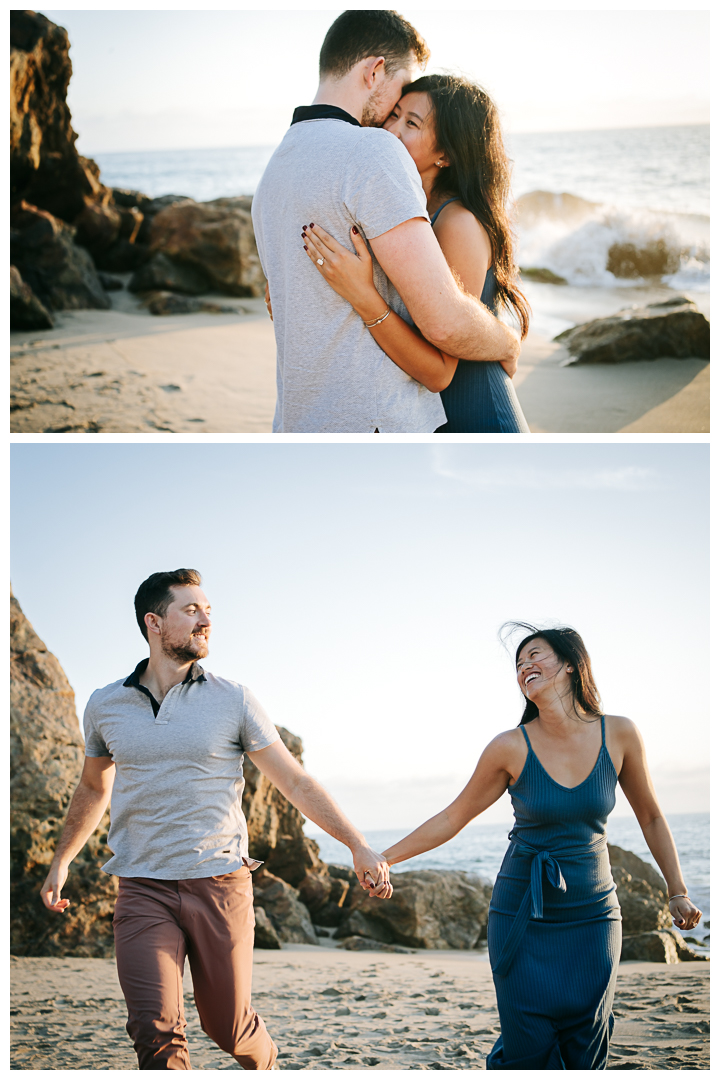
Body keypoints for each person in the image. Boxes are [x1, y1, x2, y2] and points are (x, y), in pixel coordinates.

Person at [40, 568, 392, 1071]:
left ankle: (265, 1061)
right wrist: (62, 862)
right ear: (154, 623)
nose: (206, 619)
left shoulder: (235, 699)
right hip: (142, 885)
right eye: (191, 609)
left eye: (208, 610)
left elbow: (293, 782)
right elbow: (94, 786)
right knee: (153, 1030)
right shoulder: (105, 704)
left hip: (220, 881)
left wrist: (355, 843)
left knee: (227, 1027)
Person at [379, 624, 702, 1069]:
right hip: (522, 914)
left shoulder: (620, 734)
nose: (525, 665)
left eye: (535, 655)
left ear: (571, 664)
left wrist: (677, 888)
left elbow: (651, 816)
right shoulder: (510, 746)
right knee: (527, 1040)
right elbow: (454, 816)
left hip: (593, 914)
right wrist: (384, 858)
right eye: (518, 663)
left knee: (587, 1037)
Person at [251, 10, 520, 433]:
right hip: (373, 427)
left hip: (299, 423)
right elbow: (445, 323)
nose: (395, 112)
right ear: (376, 70)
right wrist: (508, 340)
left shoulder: (276, 170)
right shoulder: (371, 152)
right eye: (401, 90)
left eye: (409, 118)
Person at [301, 74, 531, 433]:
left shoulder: (458, 223)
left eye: (411, 123)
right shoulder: (400, 214)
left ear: (446, 155)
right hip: (426, 420)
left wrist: (363, 296)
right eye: (393, 115)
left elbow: (438, 369)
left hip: (478, 418)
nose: (390, 129)